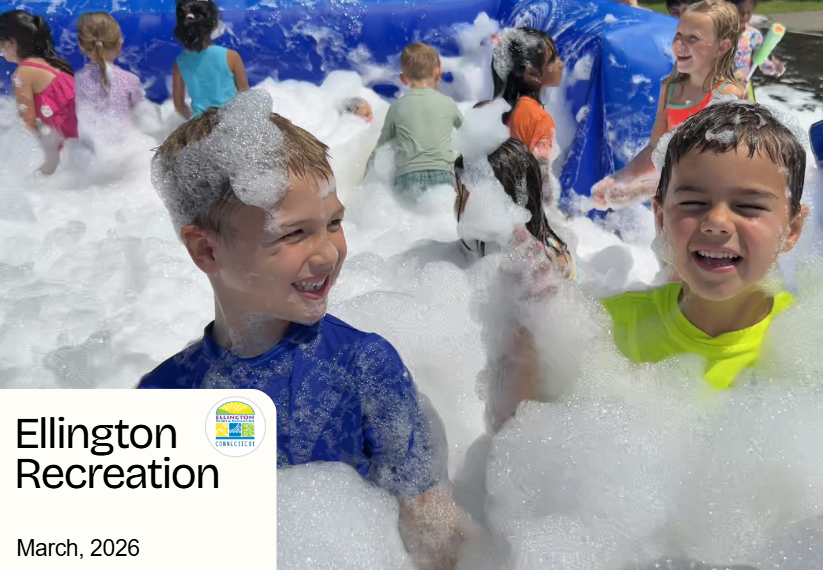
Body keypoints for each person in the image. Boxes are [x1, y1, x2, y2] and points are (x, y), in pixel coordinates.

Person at [138, 90, 469, 570]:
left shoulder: (364, 367)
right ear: (206, 251)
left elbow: (432, 529)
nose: (329, 252)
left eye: (334, 222)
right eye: (293, 233)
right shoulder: (163, 394)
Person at [604, 102, 808, 388]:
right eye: (693, 202)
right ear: (661, 218)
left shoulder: (809, 343)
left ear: (791, 230)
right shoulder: (604, 329)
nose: (716, 221)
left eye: (749, 206)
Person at [454, 137, 575, 431]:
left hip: (523, 405)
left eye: (460, 194)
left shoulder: (520, 263)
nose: (455, 203)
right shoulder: (556, 249)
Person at [591, 0, 743, 211]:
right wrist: (620, 179)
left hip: (708, 206)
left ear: (722, 47)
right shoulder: (669, 90)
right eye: (678, 35)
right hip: (673, 197)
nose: (679, 44)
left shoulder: (725, 96)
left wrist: (641, 190)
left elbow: (710, 167)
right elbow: (655, 149)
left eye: (693, 38)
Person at [376, 42, 463, 200]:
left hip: (407, 177)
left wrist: (365, 182)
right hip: (442, 174)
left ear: (403, 79)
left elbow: (381, 148)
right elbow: (469, 135)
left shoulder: (396, 107)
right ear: (438, 73)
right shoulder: (448, 103)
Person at [491, 28, 564, 206]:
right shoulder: (540, 119)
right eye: (553, 60)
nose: (561, 64)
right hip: (527, 209)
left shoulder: (504, 110)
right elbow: (542, 185)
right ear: (532, 74)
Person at [0, 9, 78, 175]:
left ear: (11, 43)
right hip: (78, 145)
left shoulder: (23, 73)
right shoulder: (55, 65)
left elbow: (26, 123)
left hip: (63, 152)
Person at [172, 0, 248, 120]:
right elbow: (246, 97)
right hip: (229, 122)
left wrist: (193, 121)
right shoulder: (231, 56)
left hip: (200, 125)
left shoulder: (179, 62)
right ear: (214, 24)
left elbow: (179, 105)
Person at [75, 13, 145, 136]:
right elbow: (142, 117)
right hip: (127, 145)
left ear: (81, 45)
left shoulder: (75, 81)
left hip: (90, 145)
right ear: (119, 45)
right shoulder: (131, 80)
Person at [726, 0, 785, 99]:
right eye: (740, 12)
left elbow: (760, 60)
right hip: (721, 87)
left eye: (749, 12)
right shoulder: (719, 34)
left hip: (743, 87)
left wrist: (772, 67)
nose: (744, 16)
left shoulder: (753, 36)